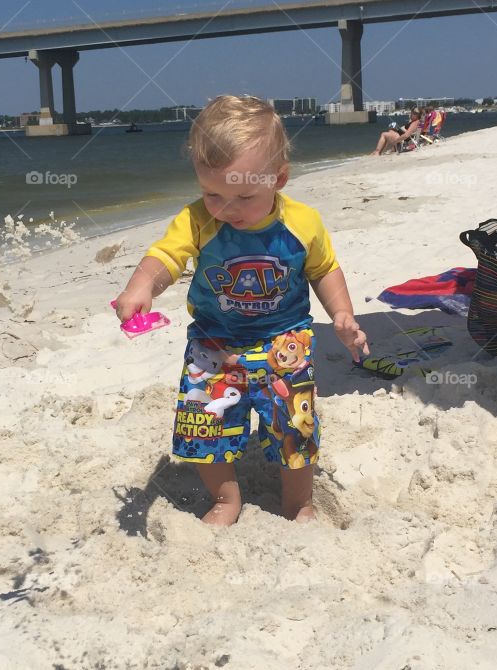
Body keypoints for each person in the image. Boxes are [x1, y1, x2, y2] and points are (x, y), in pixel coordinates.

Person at [114, 94, 369, 526]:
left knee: (295, 425)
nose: (227, 209)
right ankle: (225, 499)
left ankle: (298, 502)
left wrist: (341, 315)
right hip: (214, 339)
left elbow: (324, 269)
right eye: (213, 193)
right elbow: (167, 257)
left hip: (284, 337)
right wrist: (143, 283)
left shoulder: (302, 222)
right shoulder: (197, 220)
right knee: (204, 424)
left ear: (279, 179)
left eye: (244, 197)